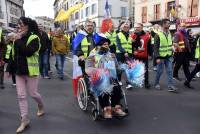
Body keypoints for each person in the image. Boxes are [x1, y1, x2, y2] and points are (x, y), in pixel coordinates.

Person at [6, 17, 45, 133]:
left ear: (28, 25)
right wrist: (8, 68)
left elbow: (28, 52)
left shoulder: (35, 38)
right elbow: (14, 55)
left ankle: (41, 105)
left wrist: (17, 40)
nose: (19, 26)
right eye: (18, 24)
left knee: (33, 93)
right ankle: (24, 120)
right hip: (19, 72)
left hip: (31, 72)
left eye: (21, 24)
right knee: (21, 96)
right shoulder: (17, 38)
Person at [85, 37, 126, 118]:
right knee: (104, 90)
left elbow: (117, 68)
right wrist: (99, 72)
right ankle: (106, 108)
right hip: (99, 78)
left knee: (117, 88)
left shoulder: (111, 55)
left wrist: (124, 68)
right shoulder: (92, 56)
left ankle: (116, 107)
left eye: (107, 44)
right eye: (104, 44)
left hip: (111, 77)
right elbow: (88, 69)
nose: (106, 46)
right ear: (98, 46)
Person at [154, 19, 177, 92]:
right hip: (161, 56)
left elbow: (170, 43)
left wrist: (173, 48)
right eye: (168, 23)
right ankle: (156, 83)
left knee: (170, 71)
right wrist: (157, 57)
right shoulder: (158, 34)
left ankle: (170, 86)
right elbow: (156, 47)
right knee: (159, 71)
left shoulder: (169, 33)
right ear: (163, 24)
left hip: (169, 55)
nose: (169, 25)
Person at [131, 23, 151, 89]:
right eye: (135, 27)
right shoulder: (132, 36)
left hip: (144, 56)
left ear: (142, 28)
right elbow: (130, 46)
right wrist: (133, 52)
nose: (136, 28)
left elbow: (149, 46)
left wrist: (150, 54)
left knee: (145, 70)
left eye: (138, 27)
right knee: (135, 69)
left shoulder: (147, 36)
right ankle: (135, 81)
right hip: (135, 56)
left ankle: (146, 83)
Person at [116, 21, 134, 89]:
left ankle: (129, 83)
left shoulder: (129, 35)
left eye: (128, 27)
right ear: (121, 27)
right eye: (125, 27)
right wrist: (124, 52)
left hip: (128, 54)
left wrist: (133, 51)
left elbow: (130, 44)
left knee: (128, 69)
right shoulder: (118, 35)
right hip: (120, 54)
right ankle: (119, 80)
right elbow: (119, 45)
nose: (126, 28)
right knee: (121, 69)